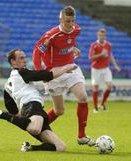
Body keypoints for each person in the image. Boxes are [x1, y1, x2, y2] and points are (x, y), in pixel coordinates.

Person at [0, 48, 78, 152]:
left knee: (60, 147)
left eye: (24, 57)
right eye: (21, 58)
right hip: (32, 105)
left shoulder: (8, 84)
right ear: (13, 61)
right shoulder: (22, 72)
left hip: (30, 113)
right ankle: (2, 115)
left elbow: (11, 108)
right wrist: (66, 68)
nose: (25, 60)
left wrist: (20, 117)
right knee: (35, 128)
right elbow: (46, 75)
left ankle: (30, 147)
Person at [33, 6, 95, 146]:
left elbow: (68, 42)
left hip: (71, 68)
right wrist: (40, 72)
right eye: (67, 21)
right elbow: (37, 52)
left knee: (83, 97)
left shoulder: (76, 30)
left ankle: (81, 136)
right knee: (59, 111)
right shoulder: (51, 35)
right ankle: (37, 128)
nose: (70, 24)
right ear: (60, 19)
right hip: (54, 73)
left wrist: (73, 49)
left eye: (72, 21)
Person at [89, 28, 121, 113]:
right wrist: (101, 54)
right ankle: (95, 108)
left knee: (110, 86)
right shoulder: (94, 45)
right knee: (95, 87)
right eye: (100, 35)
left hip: (105, 68)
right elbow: (91, 58)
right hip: (96, 69)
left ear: (105, 36)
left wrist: (115, 65)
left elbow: (110, 56)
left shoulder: (108, 45)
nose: (101, 37)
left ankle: (102, 104)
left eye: (103, 35)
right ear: (97, 35)